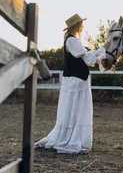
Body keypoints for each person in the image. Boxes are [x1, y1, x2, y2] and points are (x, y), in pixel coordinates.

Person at [35, 14, 107, 154]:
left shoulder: (73, 40)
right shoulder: (72, 41)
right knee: (76, 108)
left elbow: (87, 57)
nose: (83, 26)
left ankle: (72, 136)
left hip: (76, 79)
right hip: (76, 80)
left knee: (74, 108)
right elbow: (87, 58)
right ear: (76, 25)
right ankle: (72, 139)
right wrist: (102, 48)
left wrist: (98, 56)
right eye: (81, 23)